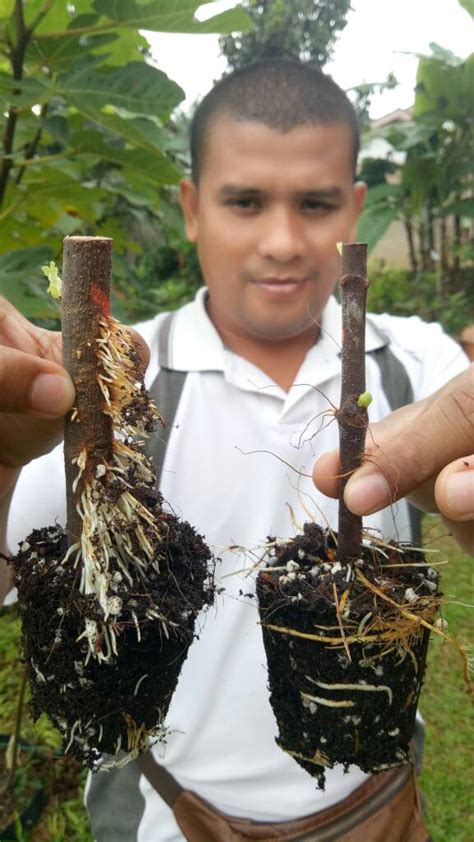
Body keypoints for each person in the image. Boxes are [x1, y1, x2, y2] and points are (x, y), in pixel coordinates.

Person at [0, 59, 471, 841]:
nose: (282, 241)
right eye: (245, 201)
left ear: (355, 208)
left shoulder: (416, 366)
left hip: (375, 809)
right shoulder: (114, 385)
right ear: (191, 207)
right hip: (167, 818)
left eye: (316, 204)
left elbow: (456, 447)